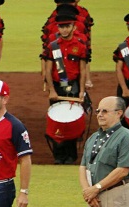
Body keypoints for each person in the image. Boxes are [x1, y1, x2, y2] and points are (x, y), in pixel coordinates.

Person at [42, 13, 88, 164]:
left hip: (73, 87)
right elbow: (48, 71)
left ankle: (71, 155)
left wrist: (81, 91)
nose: (64, 29)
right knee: (57, 121)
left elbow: (82, 71)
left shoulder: (80, 46)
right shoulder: (52, 46)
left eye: (67, 26)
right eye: (61, 27)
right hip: (57, 87)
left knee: (71, 121)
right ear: (58, 28)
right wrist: (52, 90)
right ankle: (58, 156)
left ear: (74, 27)